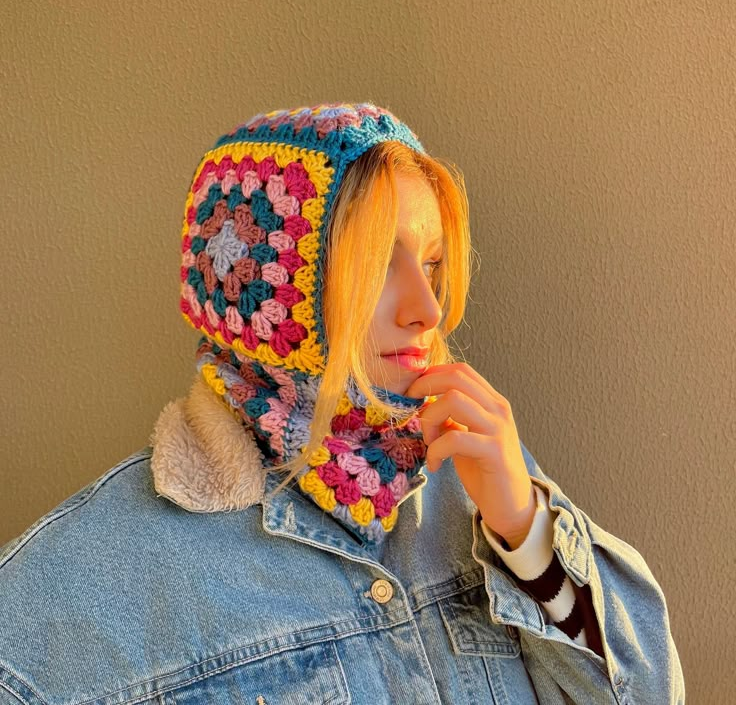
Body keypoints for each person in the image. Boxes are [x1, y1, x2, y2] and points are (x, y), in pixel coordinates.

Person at [0, 102, 684, 703]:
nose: (427, 308)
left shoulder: (474, 475)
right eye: (379, 264)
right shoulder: (84, 585)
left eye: (434, 262)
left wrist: (527, 530)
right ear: (263, 297)